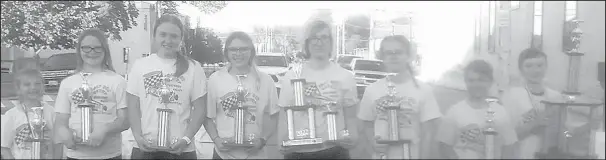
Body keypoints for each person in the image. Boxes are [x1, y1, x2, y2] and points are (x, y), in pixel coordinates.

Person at [126, 14, 207, 159]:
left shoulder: (194, 68)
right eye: (163, 34)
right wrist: (138, 137)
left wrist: (186, 139)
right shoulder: (140, 65)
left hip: (182, 150)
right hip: (145, 147)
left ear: (181, 39)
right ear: (154, 36)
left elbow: (200, 109)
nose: (168, 40)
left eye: (174, 36)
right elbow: (133, 106)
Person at [277, 20, 359, 159]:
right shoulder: (292, 75)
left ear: (331, 42)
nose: (319, 42)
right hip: (298, 152)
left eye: (324, 37)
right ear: (307, 43)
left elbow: (350, 116)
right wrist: (281, 140)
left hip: (334, 150)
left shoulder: (345, 76)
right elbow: (284, 115)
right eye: (314, 37)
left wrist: (352, 136)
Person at [357, 35, 442, 159]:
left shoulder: (424, 90)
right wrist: (372, 142)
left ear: (408, 56)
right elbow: (366, 125)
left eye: (398, 52)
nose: (393, 56)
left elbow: (427, 134)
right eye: (388, 53)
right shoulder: (372, 90)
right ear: (382, 57)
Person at [52, 28, 129, 160]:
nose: (92, 52)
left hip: (109, 155)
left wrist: (104, 130)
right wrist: (64, 132)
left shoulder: (117, 81)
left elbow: (125, 120)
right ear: (79, 50)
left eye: (97, 48)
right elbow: (60, 121)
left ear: (105, 50)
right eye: (86, 48)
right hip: (76, 155)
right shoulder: (68, 83)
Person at [203, 31, 279, 159]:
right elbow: (207, 116)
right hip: (223, 154)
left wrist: (262, 140)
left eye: (243, 49)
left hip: (255, 154)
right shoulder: (215, 79)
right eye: (233, 49)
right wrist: (216, 139)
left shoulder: (266, 80)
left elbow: (275, 115)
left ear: (251, 51)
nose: (238, 53)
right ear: (226, 52)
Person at [437, 60, 518, 159]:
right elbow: (445, 146)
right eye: (471, 80)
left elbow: (509, 146)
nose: (476, 84)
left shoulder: (501, 112)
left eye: (481, 80)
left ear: (490, 82)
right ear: (465, 82)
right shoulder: (454, 111)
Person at [500, 48, 561, 158]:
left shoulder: (555, 97)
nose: (535, 70)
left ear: (546, 67)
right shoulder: (511, 96)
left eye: (539, 65)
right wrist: (534, 124)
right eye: (529, 66)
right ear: (520, 69)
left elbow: (563, 132)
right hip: (522, 154)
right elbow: (506, 135)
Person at [1, 68, 60, 159]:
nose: (33, 87)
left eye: (37, 84)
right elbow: (4, 148)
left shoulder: (51, 112)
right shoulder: (11, 115)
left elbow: (58, 144)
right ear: (18, 88)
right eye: (27, 84)